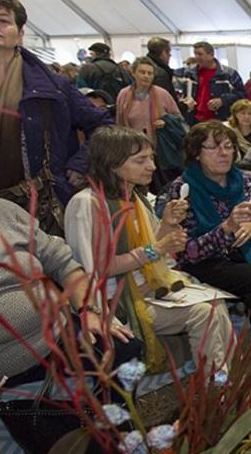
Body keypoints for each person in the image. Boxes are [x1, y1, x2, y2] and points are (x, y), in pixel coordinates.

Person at [0, 133, 136, 382]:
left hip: (53, 337)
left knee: (124, 348)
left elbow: (64, 263)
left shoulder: (4, 212)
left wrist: (88, 310)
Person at [64, 127, 234, 371]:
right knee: (204, 313)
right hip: (114, 300)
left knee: (216, 303)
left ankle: (221, 383)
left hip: (146, 287)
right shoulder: (87, 204)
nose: (152, 166)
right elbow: (100, 267)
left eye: (151, 158)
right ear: (112, 164)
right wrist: (157, 248)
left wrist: (167, 224)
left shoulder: (136, 198)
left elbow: (153, 246)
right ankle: (216, 389)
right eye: (140, 160)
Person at [0, 0, 109, 209]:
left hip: (33, 206)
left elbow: (103, 125)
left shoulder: (53, 87)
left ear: (20, 32)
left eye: (3, 20)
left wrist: (80, 163)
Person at [158, 121, 251, 336]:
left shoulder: (246, 181)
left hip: (246, 251)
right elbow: (189, 252)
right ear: (196, 153)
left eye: (228, 146)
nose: (223, 153)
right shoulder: (183, 188)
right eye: (213, 148)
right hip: (206, 261)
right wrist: (226, 228)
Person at [116, 57, 181, 146]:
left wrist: (166, 122)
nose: (146, 76)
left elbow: (178, 117)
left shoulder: (162, 94)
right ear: (133, 73)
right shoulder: (124, 94)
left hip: (159, 146)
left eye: (150, 73)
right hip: (133, 145)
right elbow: (120, 122)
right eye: (142, 72)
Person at [178, 41, 246, 124]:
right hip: (195, 120)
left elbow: (242, 94)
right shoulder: (189, 73)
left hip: (220, 120)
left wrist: (223, 100)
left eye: (200, 54)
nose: (196, 57)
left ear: (211, 54)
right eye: (195, 54)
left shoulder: (229, 74)